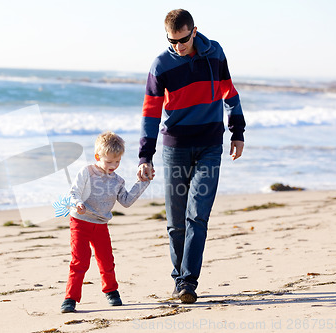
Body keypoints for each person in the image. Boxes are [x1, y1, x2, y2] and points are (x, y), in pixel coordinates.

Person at [137, 9, 246, 304]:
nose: (178, 47)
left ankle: (187, 282)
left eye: (183, 40)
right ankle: (179, 277)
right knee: (176, 221)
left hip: (210, 145)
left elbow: (229, 91)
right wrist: (145, 155)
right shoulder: (161, 65)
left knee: (197, 214)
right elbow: (150, 112)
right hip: (175, 148)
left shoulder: (215, 53)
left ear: (194, 31)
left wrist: (237, 131)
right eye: (172, 41)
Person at [61, 131, 151, 313]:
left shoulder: (118, 180)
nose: (113, 166)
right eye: (109, 161)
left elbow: (126, 201)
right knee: (80, 261)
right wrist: (78, 203)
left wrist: (143, 182)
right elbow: (73, 193)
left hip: (101, 224)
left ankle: (111, 291)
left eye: (117, 162)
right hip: (80, 222)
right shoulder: (86, 172)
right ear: (97, 156)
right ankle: (70, 298)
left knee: (106, 260)